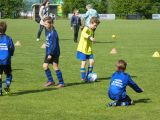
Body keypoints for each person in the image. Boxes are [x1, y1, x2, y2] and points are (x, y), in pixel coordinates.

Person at [43, 16, 64, 88]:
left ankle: (61, 82)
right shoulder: (48, 31)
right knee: (45, 66)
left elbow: (54, 45)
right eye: (44, 24)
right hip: (48, 52)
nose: (44, 25)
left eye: (46, 24)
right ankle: (51, 81)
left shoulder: (53, 33)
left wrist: (50, 54)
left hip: (53, 53)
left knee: (55, 67)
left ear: (51, 24)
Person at [76, 17, 100, 82]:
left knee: (92, 62)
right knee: (83, 63)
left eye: (96, 26)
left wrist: (93, 40)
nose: (95, 27)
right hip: (82, 49)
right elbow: (83, 34)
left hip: (89, 49)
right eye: (95, 25)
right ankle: (83, 78)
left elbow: (91, 37)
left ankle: (89, 76)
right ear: (91, 23)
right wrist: (90, 37)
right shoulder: (86, 28)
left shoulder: (92, 30)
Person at [0, 21, 15, 96]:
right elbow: (12, 48)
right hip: (6, 61)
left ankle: (0, 91)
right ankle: (7, 88)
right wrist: (10, 55)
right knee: (8, 74)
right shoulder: (8, 38)